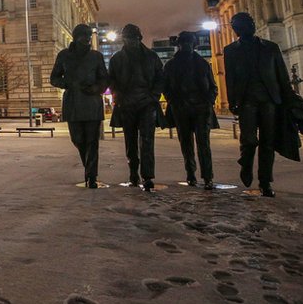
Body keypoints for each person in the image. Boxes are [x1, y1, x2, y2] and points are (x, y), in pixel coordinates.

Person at [223, 12, 293, 197]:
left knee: (268, 142)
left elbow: (282, 75)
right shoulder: (230, 50)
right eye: (245, 24)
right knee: (249, 140)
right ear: (237, 29)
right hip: (247, 100)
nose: (250, 26)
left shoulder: (271, 48)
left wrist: (289, 98)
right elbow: (230, 79)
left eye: (251, 23)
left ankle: (265, 181)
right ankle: (246, 163)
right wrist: (232, 101)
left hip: (269, 99)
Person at [50, 24, 110, 188]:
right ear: (76, 38)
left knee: (92, 141)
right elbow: (54, 78)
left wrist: (96, 88)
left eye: (89, 36)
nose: (87, 39)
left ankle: (91, 175)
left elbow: (104, 78)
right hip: (73, 103)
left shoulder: (96, 56)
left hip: (92, 103)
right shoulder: (64, 56)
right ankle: (89, 169)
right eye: (84, 36)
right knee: (77, 140)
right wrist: (66, 83)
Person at [108, 24, 164, 191]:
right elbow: (112, 82)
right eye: (127, 39)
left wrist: (154, 96)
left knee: (147, 141)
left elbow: (160, 78)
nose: (130, 42)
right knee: (130, 141)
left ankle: (147, 176)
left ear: (139, 38)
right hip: (127, 104)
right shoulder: (116, 58)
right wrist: (119, 98)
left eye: (133, 38)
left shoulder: (152, 57)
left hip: (147, 104)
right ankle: (133, 172)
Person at [163, 31, 219, 190]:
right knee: (186, 144)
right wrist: (174, 101)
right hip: (181, 109)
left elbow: (213, 87)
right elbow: (165, 88)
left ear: (193, 44)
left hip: (201, 109)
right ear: (179, 45)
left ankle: (208, 177)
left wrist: (208, 101)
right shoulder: (171, 65)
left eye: (189, 42)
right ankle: (191, 173)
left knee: (204, 145)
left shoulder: (202, 64)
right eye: (184, 42)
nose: (186, 45)